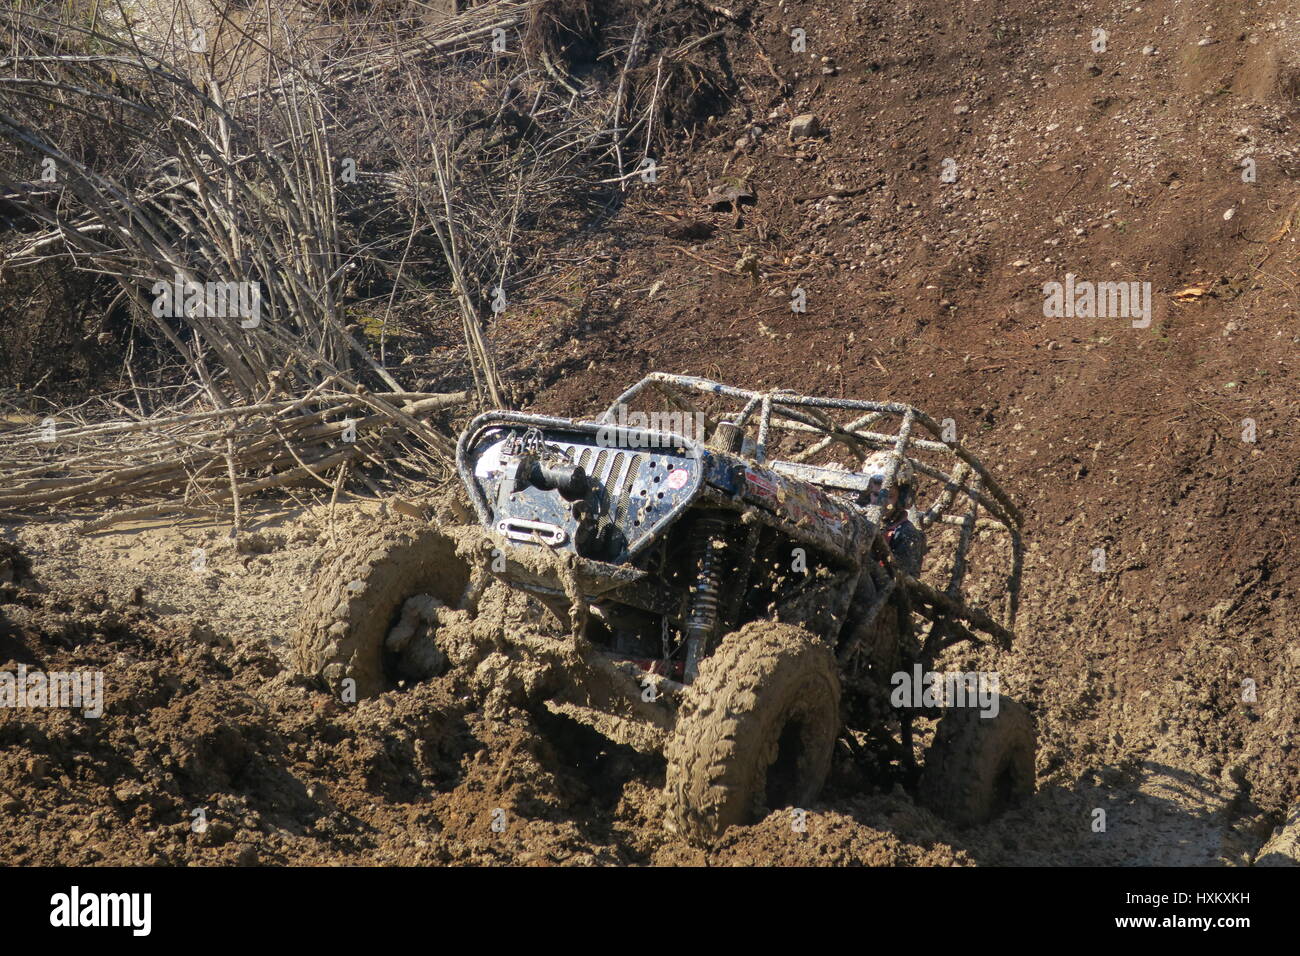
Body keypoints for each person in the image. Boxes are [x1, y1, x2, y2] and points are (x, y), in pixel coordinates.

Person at [857, 450, 926, 577]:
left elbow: (904, 580)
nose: (880, 502)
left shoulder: (905, 533)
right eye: (875, 494)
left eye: (889, 496)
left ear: (901, 498)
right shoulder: (858, 515)